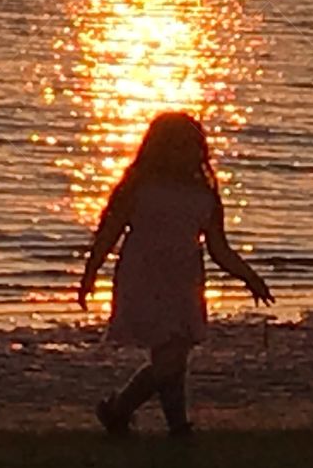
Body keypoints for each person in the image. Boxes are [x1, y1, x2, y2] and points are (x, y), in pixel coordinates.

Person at [77, 111, 273, 436]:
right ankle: (128, 411)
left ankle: (156, 422)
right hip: (142, 278)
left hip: (184, 281)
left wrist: (248, 275)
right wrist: (89, 275)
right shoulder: (139, 186)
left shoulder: (205, 194)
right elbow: (109, 233)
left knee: (175, 358)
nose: (188, 154)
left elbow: (218, 248)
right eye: (179, 146)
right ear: (159, 148)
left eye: (193, 146)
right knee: (169, 361)